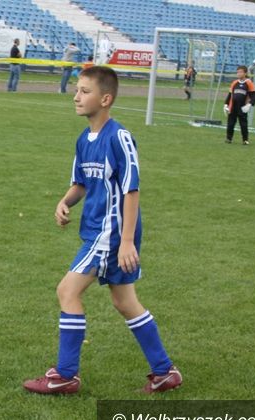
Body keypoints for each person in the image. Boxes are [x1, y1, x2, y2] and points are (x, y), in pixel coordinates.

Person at [23, 66, 182, 395]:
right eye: (77, 90)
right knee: (124, 301)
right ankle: (165, 372)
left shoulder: (118, 137)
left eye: (85, 91)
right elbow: (81, 183)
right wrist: (64, 201)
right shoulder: (84, 140)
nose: (76, 96)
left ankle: (65, 375)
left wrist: (126, 241)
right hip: (98, 230)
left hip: (110, 233)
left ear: (105, 99)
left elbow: (131, 189)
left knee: (67, 291)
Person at [223, 65, 255, 145]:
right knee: (230, 123)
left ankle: (245, 140)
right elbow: (230, 95)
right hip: (233, 107)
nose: (239, 74)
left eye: (241, 72)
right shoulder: (234, 83)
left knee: (243, 124)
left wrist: (249, 105)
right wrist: (226, 104)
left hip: (242, 107)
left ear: (245, 73)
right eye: (237, 72)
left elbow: (253, 96)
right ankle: (229, 138)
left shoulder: (249, 83)